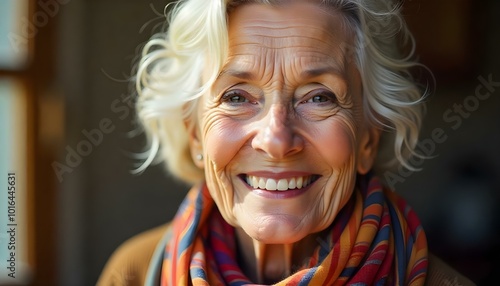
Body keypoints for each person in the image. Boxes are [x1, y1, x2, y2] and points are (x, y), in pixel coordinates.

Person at [98, 0, 475, 285]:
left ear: (368, 140)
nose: (276, 140)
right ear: (195, 133)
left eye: (319, 97)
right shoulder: (134, 272)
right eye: (236, 97)